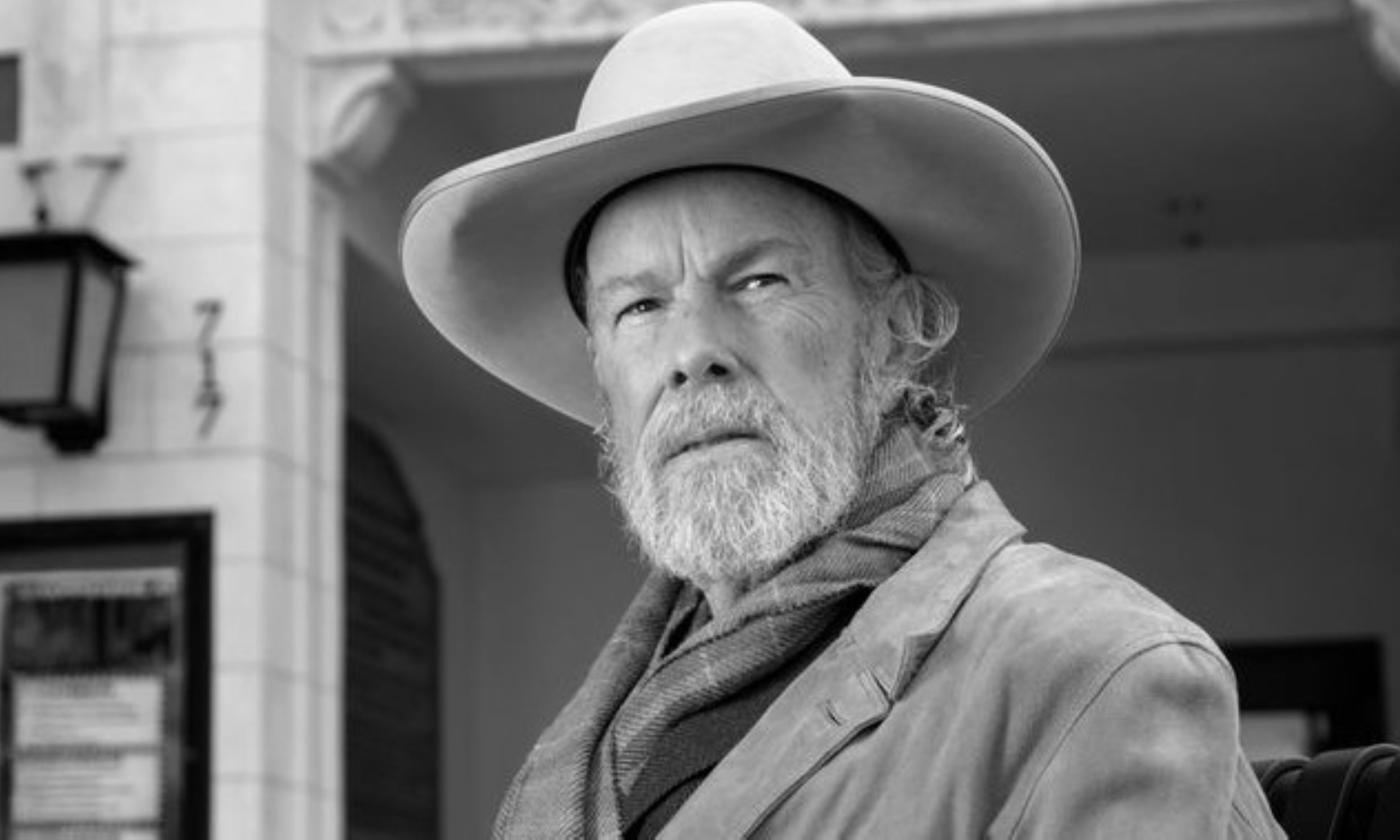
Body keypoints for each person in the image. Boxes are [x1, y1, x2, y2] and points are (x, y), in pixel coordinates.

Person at [400, 3, 1285, 837]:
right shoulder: (605, 734)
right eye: (640, 307)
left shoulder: (1097, 670)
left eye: (759, 281)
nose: (693, 350)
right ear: (603, 375)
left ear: (897, 331)